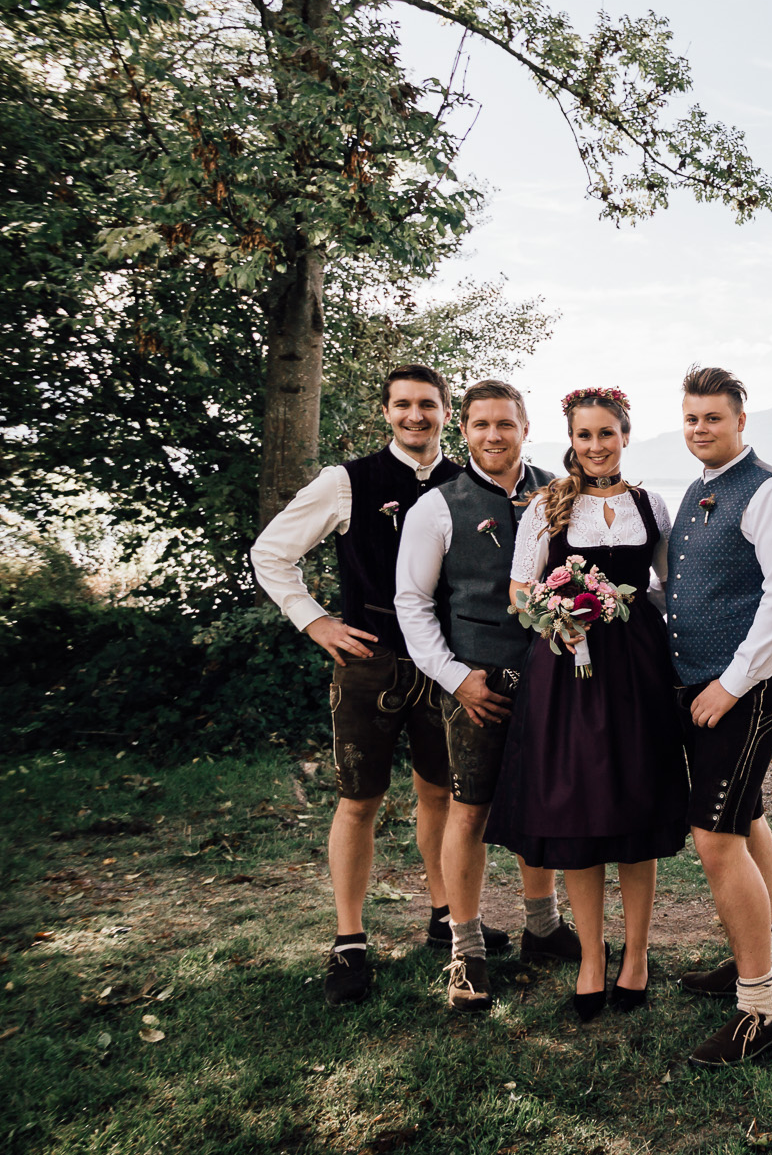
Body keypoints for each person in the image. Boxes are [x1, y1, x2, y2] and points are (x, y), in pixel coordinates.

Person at [250, 363, 473, 1006]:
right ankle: (349, 941)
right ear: (386, 412)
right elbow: (271, 553)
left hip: (443, 665)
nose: (415, 416)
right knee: (358, 802)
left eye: (427, 404)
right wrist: (315, 620)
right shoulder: (345, 481)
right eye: (402, 404)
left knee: (440, 796)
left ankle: (444, 916)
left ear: (446, 412)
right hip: (369, 663)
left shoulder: (467, 483)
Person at [485, 387, 690, 1021]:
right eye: (584, 435)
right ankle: (592, 958)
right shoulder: (547, 505)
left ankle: (637, 954)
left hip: (637, 671)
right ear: (570, 440)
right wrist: (559, 611)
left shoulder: (651, 505)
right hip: (566, 667)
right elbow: (519, 592)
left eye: (607, 433)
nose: (596, 445)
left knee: (634, 802)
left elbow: (669, 587)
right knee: (577, 807)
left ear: (625, 435)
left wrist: (628, 611)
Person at [392, 379, 582, 1013]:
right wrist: (455, 678)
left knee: (543, 802)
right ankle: (466, 949)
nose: (494, 435)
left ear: (526, 428)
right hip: (475, 683)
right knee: (469, 810)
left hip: (552, 679)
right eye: (481, 424)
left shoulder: (562, 492)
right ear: (464, 430)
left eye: (506, 423)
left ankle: (543, 927)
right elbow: (412, 604)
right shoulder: (437, 506)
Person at [664, 365, 772, 1067]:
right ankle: (751, 955)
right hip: (701, 681)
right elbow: (688, 582)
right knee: (746, 814)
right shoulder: (698, 487)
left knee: (715, 834)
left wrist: (729, 685)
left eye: (713, 418)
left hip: (751, 685)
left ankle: (759, 1012)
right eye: (692, 418)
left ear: (740, 421)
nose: (701, 429)